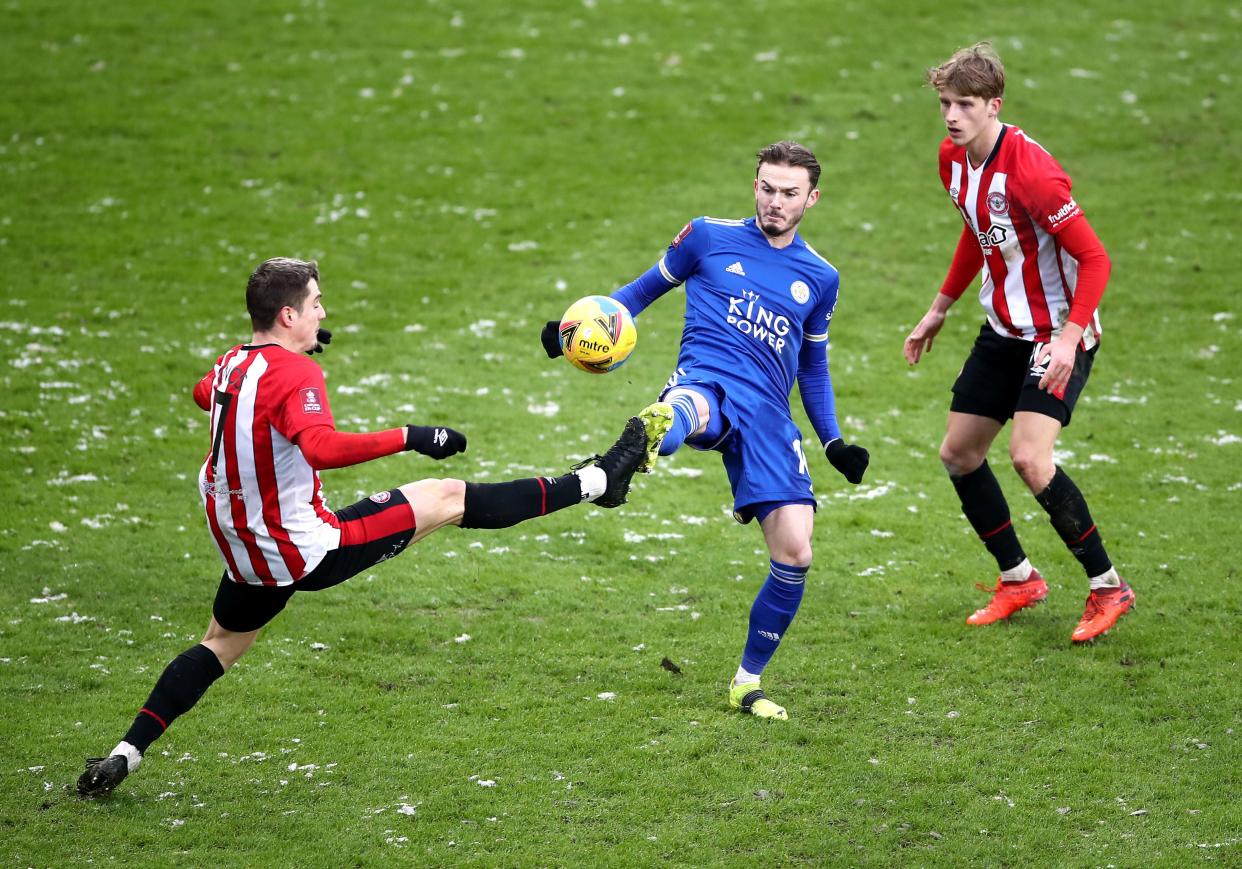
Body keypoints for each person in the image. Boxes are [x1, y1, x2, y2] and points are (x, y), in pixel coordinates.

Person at [77, 257, 652, 798]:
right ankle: (602, 481)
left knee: (220, 644)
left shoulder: (233, 364)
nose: (323, 314)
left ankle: (127, 753)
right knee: (447, 498)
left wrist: (279, 367)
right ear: (289, 315)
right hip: (307, 549)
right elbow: (321, 447)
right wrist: (412, 436)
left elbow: (206, 393)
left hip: (243, 550)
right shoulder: (294, 374)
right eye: (316, 305)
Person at [540, 142, 870, 720]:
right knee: (688, 408)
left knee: (796, 551)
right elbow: (635, 296)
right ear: (755, 186)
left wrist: (834, 440)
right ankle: (644, 442)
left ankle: (747, 683)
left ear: (811, 199)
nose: (775, 201)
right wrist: (571, 329)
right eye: (767, 188)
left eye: (789, 193)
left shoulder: (820, 277)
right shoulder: (707, 237)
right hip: (708, 381)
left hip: (769, 414)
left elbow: (812, 368)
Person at [902, 43, 1135, 643]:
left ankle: (1108, 586)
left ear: (994, 105)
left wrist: (1070, 337)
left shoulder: (1031, 171)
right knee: (959, 454)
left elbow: (1095, 258)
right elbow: (980, 233)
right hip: (1002, 331)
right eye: (946, 104)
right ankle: (1019, 579)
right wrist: (938, 309)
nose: (952, 116)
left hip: (1056, 335)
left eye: (966, 105)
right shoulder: (952, 159)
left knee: (1030, 458)